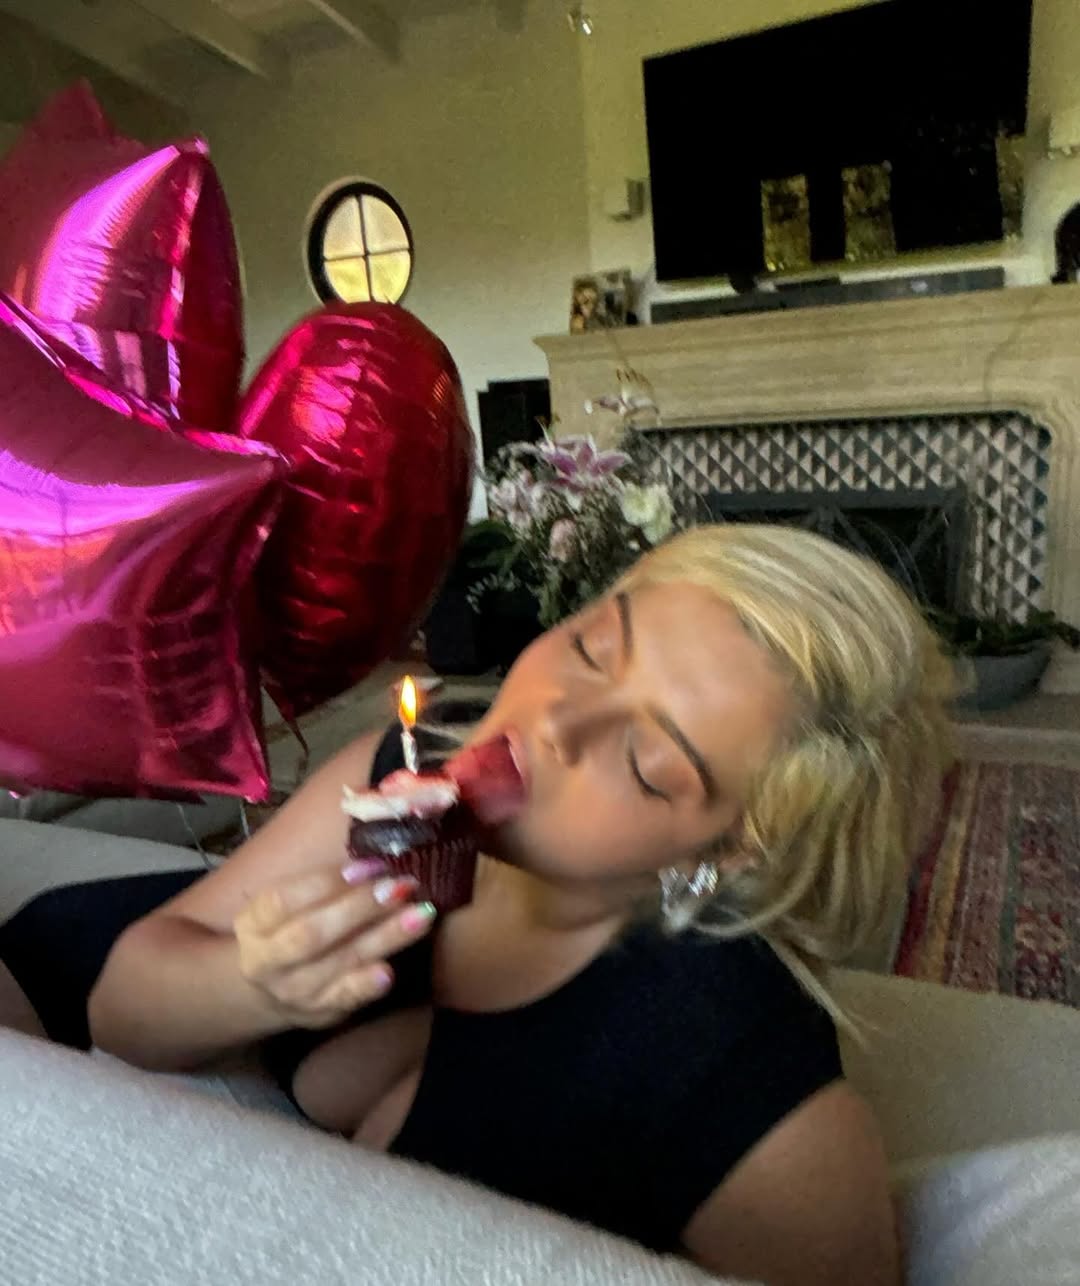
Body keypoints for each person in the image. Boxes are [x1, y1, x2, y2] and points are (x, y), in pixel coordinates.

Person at [89, 524, 954, 1286]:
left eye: (646, 761)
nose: (556, 722)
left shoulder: (730, 1065)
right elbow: (120, 1014)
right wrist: (251, 983)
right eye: (591, 649)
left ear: (725, 850)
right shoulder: (412, 766)